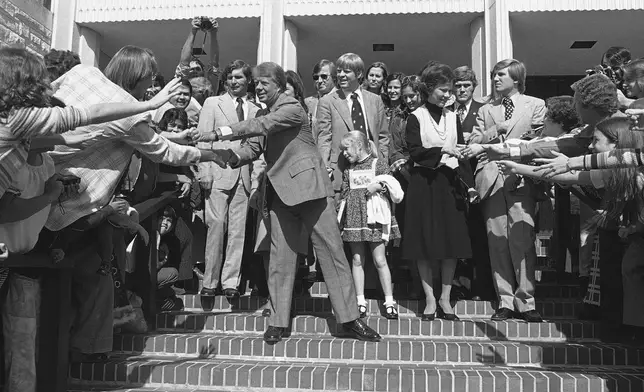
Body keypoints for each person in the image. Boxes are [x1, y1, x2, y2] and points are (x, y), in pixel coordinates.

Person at [191, 61, 381, 344]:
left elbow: (262, 125)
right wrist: (222, 157)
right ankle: (278, 322)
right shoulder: (265, 112)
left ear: (278, 85)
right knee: (280, 260)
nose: (258, 87)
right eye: (256, 83)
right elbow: (253, 147)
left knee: (332, 253)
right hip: (279, 195)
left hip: (311, 191)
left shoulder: (291, 106)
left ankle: (350, 319)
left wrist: (218, 133)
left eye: (263, 83)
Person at [498, 117, 644, 343]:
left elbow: (575, 169)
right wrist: (518, 167)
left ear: (615, 144)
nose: (590, 145)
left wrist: (571, 162)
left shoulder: (637, 172)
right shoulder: (613, 173)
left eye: (596, 141)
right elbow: (568, 176)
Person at [468, 59, 546, 322]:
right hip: (491, 180)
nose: (496, 79)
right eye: (494, 75)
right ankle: (505, 300)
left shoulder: (536, 104)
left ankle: (527, 300)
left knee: (522, 239)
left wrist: (512, 150)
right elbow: (472, 141)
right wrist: (494, 131)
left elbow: (538, 139)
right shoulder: (486, 110)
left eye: (501, 74)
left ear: (516, 77)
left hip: (521, 178)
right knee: (497, 240)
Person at [403, 63, 473, 321]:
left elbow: (461, 152)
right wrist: (443, 151)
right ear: (430, 89)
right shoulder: (415, 117)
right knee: (424, 243)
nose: (447, 95)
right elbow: (415, 151)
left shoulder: (453, 117)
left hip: (449, 183)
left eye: (450, 90)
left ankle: (445, 298)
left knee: (450, 243)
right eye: (443, 90)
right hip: (423, 183)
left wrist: (471, 184)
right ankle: (430, 299)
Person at [196, 59, 261, 300]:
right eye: (230, 77)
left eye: (239, 77)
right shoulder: (213, 103)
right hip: (217, 173)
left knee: (238, 231)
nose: (234, 81)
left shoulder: (256, 109)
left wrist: (255, 181)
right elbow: (204, 139)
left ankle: (231, 281)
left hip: (243, 177)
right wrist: (204, 172)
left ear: (248, 80)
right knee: (216, 227)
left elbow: (257, 149)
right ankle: (210, 281)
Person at [337, 131, 402, 320]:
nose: (344, 154)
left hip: (375, 218)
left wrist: (379, 187)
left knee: (380, 260)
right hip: (354, 219)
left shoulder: (378, 163)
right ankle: (360, 301)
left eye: (346, 148)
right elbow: (345, 193)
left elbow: (392, 188)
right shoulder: (348, 170)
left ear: (359, 145)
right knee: (357, 259)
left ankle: (389, 301)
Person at [316, 53, 390, 204]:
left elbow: (383, 136)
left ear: (359, 74)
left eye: (346, 71)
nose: (341, 75)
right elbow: (324, 137)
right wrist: (324, 167)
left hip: (372, 171)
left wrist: (383, 164)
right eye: (339, 71)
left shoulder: (375, 101)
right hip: (341, 172)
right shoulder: (327, 102)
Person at [305, 59, 336, 136]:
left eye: (324, 76)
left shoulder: (343, 99)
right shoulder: (307, 102)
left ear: (334, 77)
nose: (319, 81)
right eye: (316, 77)